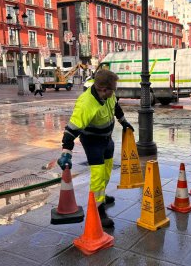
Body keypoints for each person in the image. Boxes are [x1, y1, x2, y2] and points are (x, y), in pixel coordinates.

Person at [57, 69, 134, 228]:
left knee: (107, 170)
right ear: (103, 89)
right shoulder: (86, 104)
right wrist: (66, 152)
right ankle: (98, 209)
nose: (115, 92)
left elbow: (115, 107)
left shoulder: (109, 95)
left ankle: (101, 196)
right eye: (113, 89)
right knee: (98, 175)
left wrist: (123, 121)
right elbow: (71, 130)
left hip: (107, 139)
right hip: (92, 142)